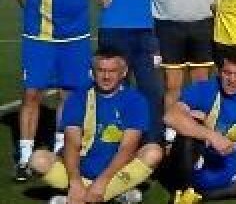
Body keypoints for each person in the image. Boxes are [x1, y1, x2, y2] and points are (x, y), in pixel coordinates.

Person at [12, 0, 98, 180]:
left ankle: (62, 152)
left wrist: (71, 10)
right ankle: (25, 157)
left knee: (70, 96)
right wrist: (35, 13)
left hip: (75, 37)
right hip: (40, 36)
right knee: (32, 93)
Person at [28, 47, 163, 204]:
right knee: (38, 160)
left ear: (124, 72)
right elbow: (72, 144)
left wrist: (102, 182)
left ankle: (80, 198)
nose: (106, 76)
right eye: (101, 70)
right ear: (92, 72)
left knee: (154, 152)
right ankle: (109, 193)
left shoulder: (135, 100)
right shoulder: (78, 98)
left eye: (112, 71)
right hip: (80, 170)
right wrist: (75, 182)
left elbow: (128, 148)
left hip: (114, 172)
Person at [164, 51, 236, 203]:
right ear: (219, 71)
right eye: (227, 73)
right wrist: (210, 135)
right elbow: (170, 116)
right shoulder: (204, 88)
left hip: (235, 167)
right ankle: (185, 190)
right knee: (186, 135)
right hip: (199, 164)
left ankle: (199, 197)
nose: (231, 80)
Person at [94, 0, 165, 144]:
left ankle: (152, 140)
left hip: (145, 33)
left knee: (151, 90)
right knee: (115, 89)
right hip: (114, 33)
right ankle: (114, 139)